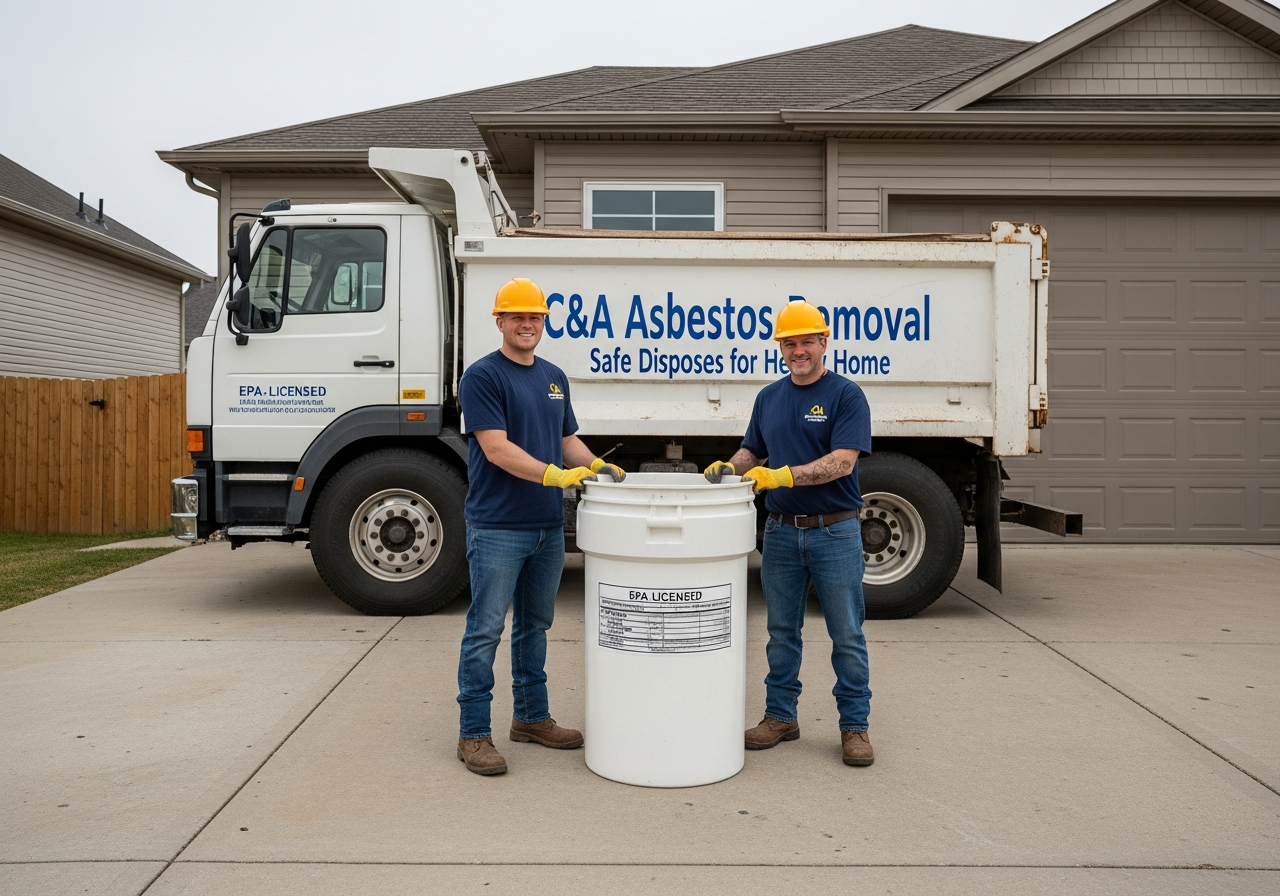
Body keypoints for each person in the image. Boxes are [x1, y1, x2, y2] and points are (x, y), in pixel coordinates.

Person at [455, 277, 625, 776]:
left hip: (548, 526)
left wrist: (594, 467)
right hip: (498, 525)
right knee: (486, 629)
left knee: (536, 625)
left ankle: (530, 717)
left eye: (536, 318)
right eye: (518, 317)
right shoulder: (482, 377)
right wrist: (554, 475)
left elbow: (566, 437)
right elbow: (495, 447)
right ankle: (474, 734)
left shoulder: (553, 376)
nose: (528, 324)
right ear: (500, 322)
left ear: (544, 323)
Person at [704, 299, 874, 766]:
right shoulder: (769, 397)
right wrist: (728, 469)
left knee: (846, 635)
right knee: (781, 632)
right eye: (789, 343)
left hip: (834, 533)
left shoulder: (845, 395)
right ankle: (781, 716)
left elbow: (843, 461)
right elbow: (752, 451)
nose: (798, 351)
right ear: (780, 347)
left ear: (824, 342)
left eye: (806, 342)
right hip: (780, 533)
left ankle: (854, 727)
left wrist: (783, 477)